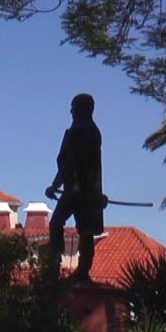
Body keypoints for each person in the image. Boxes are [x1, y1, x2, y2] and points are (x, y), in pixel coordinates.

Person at [44, 93, 107, 282]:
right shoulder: (94, 131)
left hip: (75, 190)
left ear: (81, 109)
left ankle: (54, 268)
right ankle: (82, 271)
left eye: (73, 107)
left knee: (56, 224)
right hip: (89, 192)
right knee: (86, 231)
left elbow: (69, 164)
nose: (70, 111)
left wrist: (55, 185)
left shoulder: (78, 131)